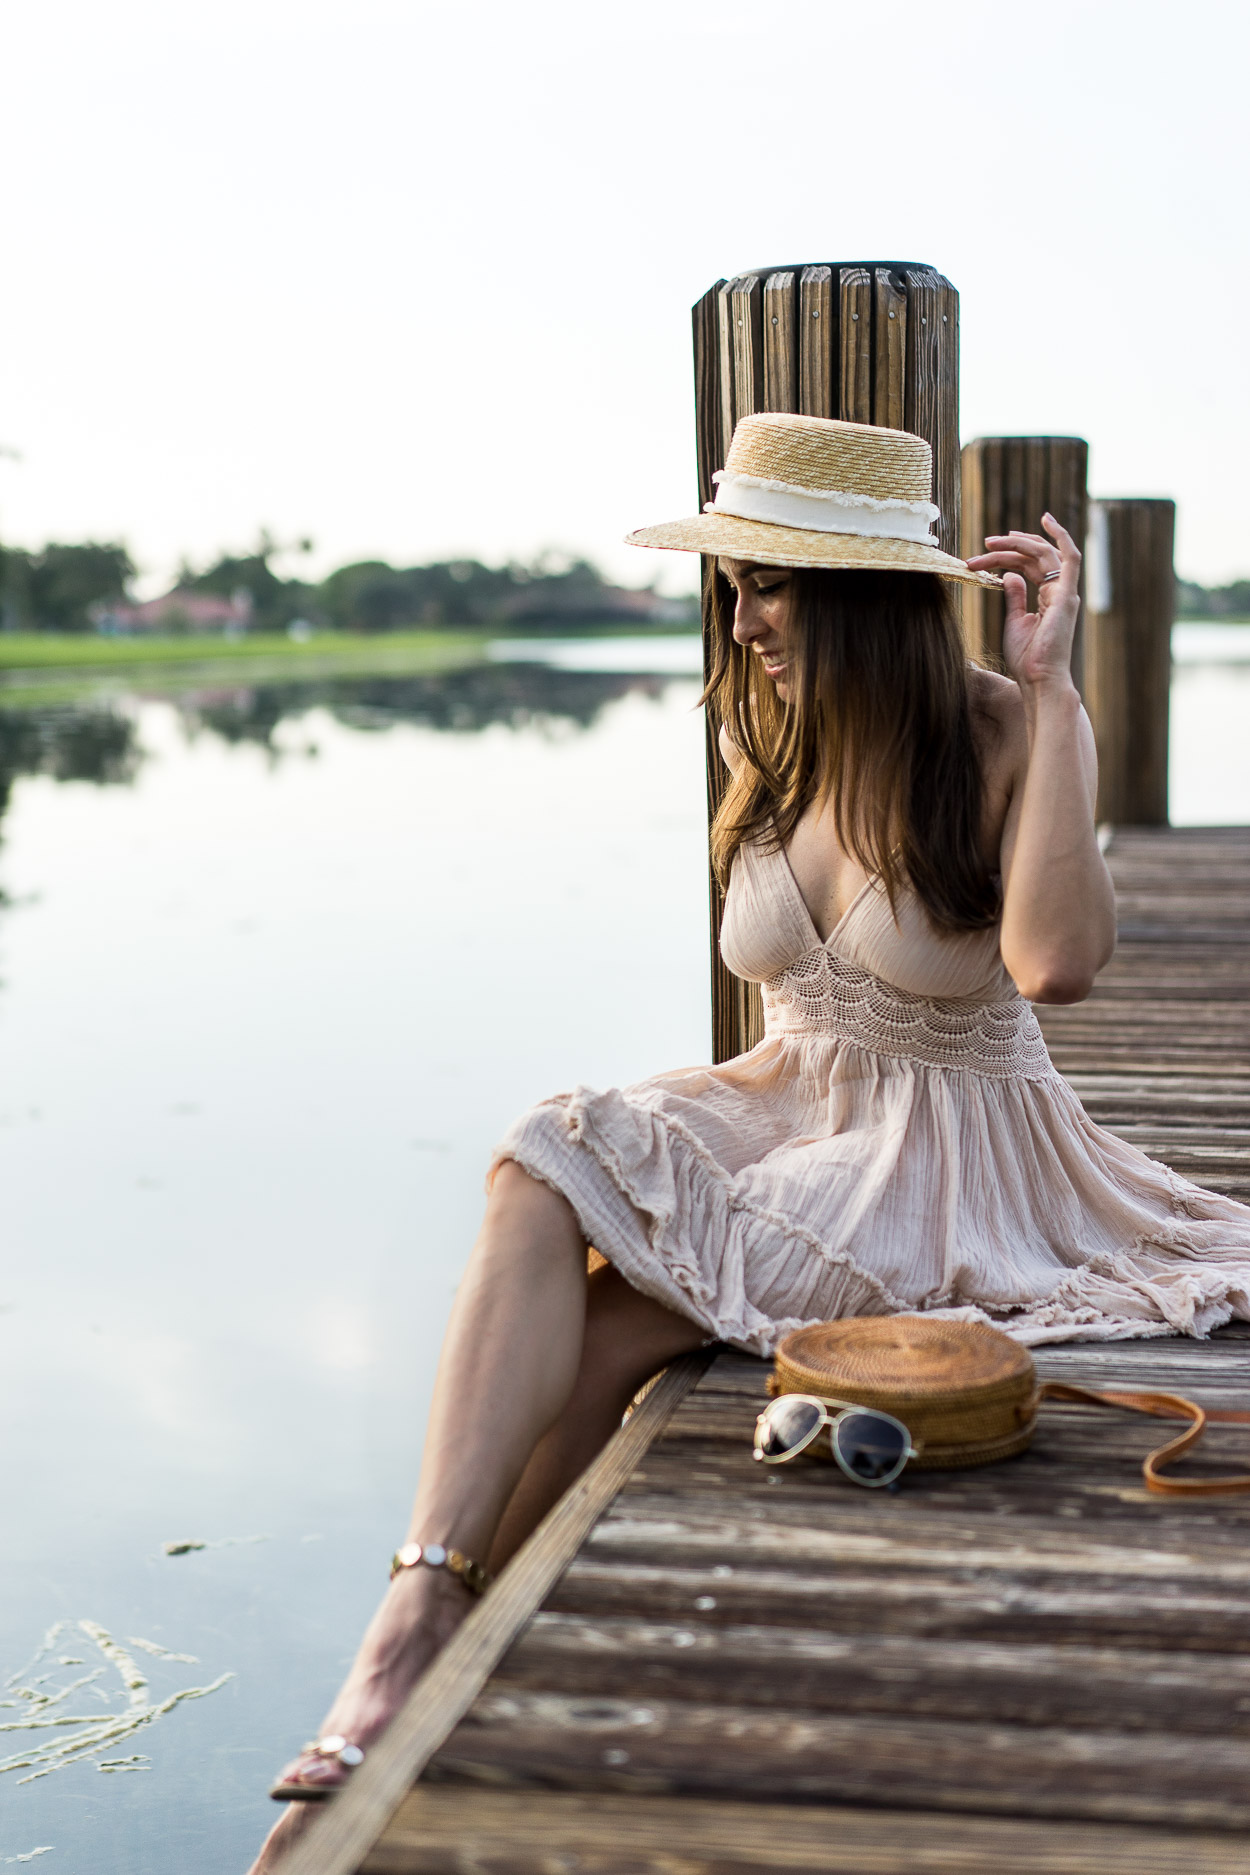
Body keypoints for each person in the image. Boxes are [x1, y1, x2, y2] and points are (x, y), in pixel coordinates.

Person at [250, 413, 1250, 1866]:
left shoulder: (1003, 730)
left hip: (945, 1157)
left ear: (858, 592)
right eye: (731, 588)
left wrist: (1054, 695)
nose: (741, 622)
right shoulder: (761, 731)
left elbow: (1055, 966)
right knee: (540, 1161)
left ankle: (416, 1672)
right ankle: (414, 1621)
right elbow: (781, 996)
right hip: (785, 1108)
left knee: (613, 1328)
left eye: (766, 586)